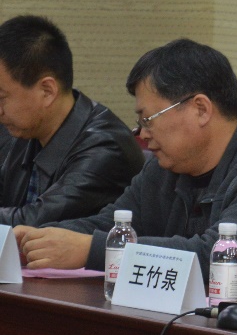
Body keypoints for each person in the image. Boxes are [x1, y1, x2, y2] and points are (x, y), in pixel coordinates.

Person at [16, 39, 237, 292]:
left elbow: (212, 257)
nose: (142, 134)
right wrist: (36, 240)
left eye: (148, 119)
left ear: (201, 109)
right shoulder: (167, 167)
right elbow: (110, 223)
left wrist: (93, 249)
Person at [0, 15, 144, 226]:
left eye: (1, 97)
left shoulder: (106, 148)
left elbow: (35, 223)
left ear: (47, 91)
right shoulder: (21, 128)